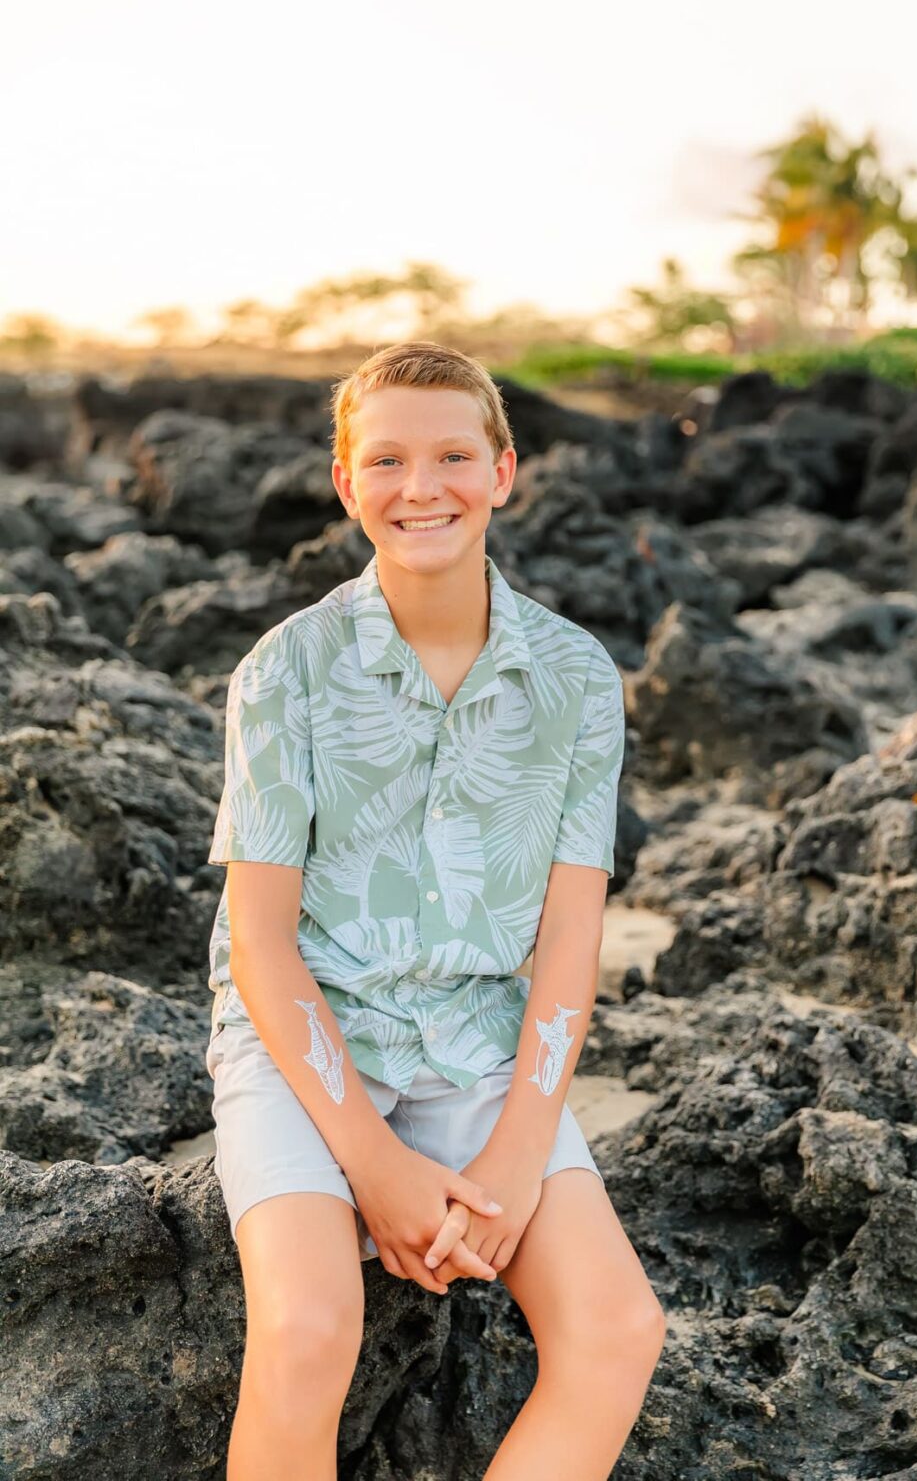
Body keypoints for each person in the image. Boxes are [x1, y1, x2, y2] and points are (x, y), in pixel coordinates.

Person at [203, 340, 666, 1480]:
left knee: (616, 1330)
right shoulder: (285, 672)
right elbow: (259, 943)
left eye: (454, 454)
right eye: (389, 461)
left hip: (477, 1045)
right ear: (346, 482)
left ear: (503, 471)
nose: (424, 488)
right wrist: (375, 1166)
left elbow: (567, 938)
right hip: (304, 1045)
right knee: (311, 1330)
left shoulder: (573, 678)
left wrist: (514, 1153)